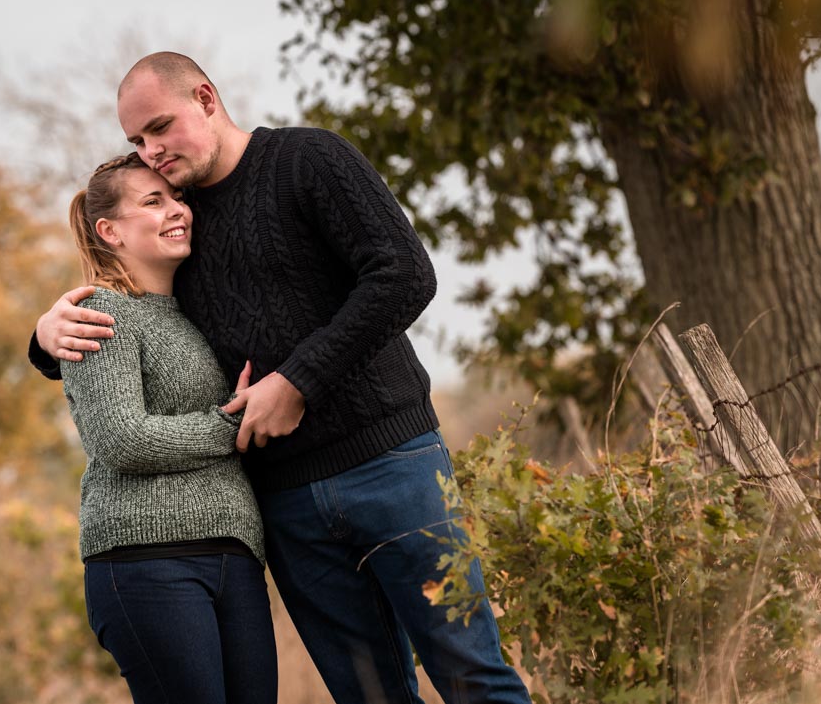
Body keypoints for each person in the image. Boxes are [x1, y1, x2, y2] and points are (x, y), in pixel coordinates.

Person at [33, 52, 531, 704]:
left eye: (160, 128)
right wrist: (45, 339)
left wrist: (296, 380)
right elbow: (137, 318)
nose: (152, 152)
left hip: (392, 465)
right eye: (137, 142)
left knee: (471, 675)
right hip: (287, 503)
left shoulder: (309, 160)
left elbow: (406, 274)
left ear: (206, 98)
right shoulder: (182, 225)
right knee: (369, 693)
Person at [61, 153, 276, 704]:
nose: (177, 209)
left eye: (177, 198)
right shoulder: (98, 314)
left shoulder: (196, 314)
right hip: (146, 561)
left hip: (234, 555)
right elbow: (121, 440)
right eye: (153, 201)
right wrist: (234, 424)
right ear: (109, 231)